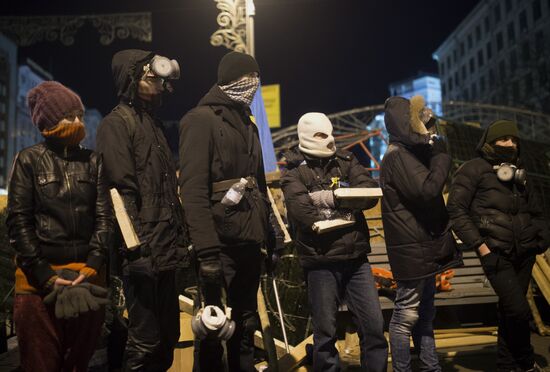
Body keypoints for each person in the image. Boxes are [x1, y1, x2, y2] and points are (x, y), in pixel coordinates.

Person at [179, 51, 280, 372]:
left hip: (249, 243)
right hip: (218, 245)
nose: (254, 85)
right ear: (231, 80)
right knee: (212, 328)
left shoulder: (248, 124)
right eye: (249, 78)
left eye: (257, 78)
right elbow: (192, 190)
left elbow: (261, 188)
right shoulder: (199, 120)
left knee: (245, 326)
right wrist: (207, 253)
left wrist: (270, 238)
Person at [6, 81, 112, 371]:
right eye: (69, 116)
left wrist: (93, 265)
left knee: (78, 363)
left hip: (88, 282)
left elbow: (105, 218)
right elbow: (18, 222)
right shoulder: (28, 160)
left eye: (79, 115)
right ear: (49, 121)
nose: (78, 122)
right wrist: (44, 275)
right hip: (38, 286)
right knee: (40, 363)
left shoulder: (94, 162)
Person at [96, 49, 186, 371]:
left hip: (164, 251)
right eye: (152, 77)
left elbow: (166, 193)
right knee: (144, 343)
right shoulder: (116, 124)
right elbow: (119, 193)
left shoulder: (154, 124)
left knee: (168, 337)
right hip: (143, 254)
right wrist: (136, 251)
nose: (160, 84)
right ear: (132, 79)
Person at [280, 112, 388, 372]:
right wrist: (346, 202)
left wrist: (327, 198)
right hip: (321, 262)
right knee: (325, 333)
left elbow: (368, 191)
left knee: (373, 328)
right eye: (319, 134)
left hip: (356, 259)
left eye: (328, 132)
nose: (327, 139)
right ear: (306, 136)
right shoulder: (293, 171)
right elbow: (303, 213)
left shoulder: (346, 159)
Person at [447, 119, 549, 372]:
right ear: (490, 142)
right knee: (518, 310)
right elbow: (456, 210)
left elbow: (538, 211)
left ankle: (506, 365)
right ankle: (525, 362)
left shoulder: (520, 172)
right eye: (504, 139)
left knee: (508, 311)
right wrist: (481, 247)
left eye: (514, 140)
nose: (510, 144)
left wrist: (541, 239)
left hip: (525, 253)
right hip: (496, 254)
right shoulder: (473, 169)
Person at [379, 96, 462, 372]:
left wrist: (431, 141)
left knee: (425, 315)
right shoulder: (397, 157)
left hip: (421, 247)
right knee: (406, 316)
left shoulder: (407, 154)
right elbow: (427, 189)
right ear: (405, 123)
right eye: (417, 119)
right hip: (413, 251)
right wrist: (440, 155)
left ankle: (430, 367)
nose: (424, 125)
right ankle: (404, 369)